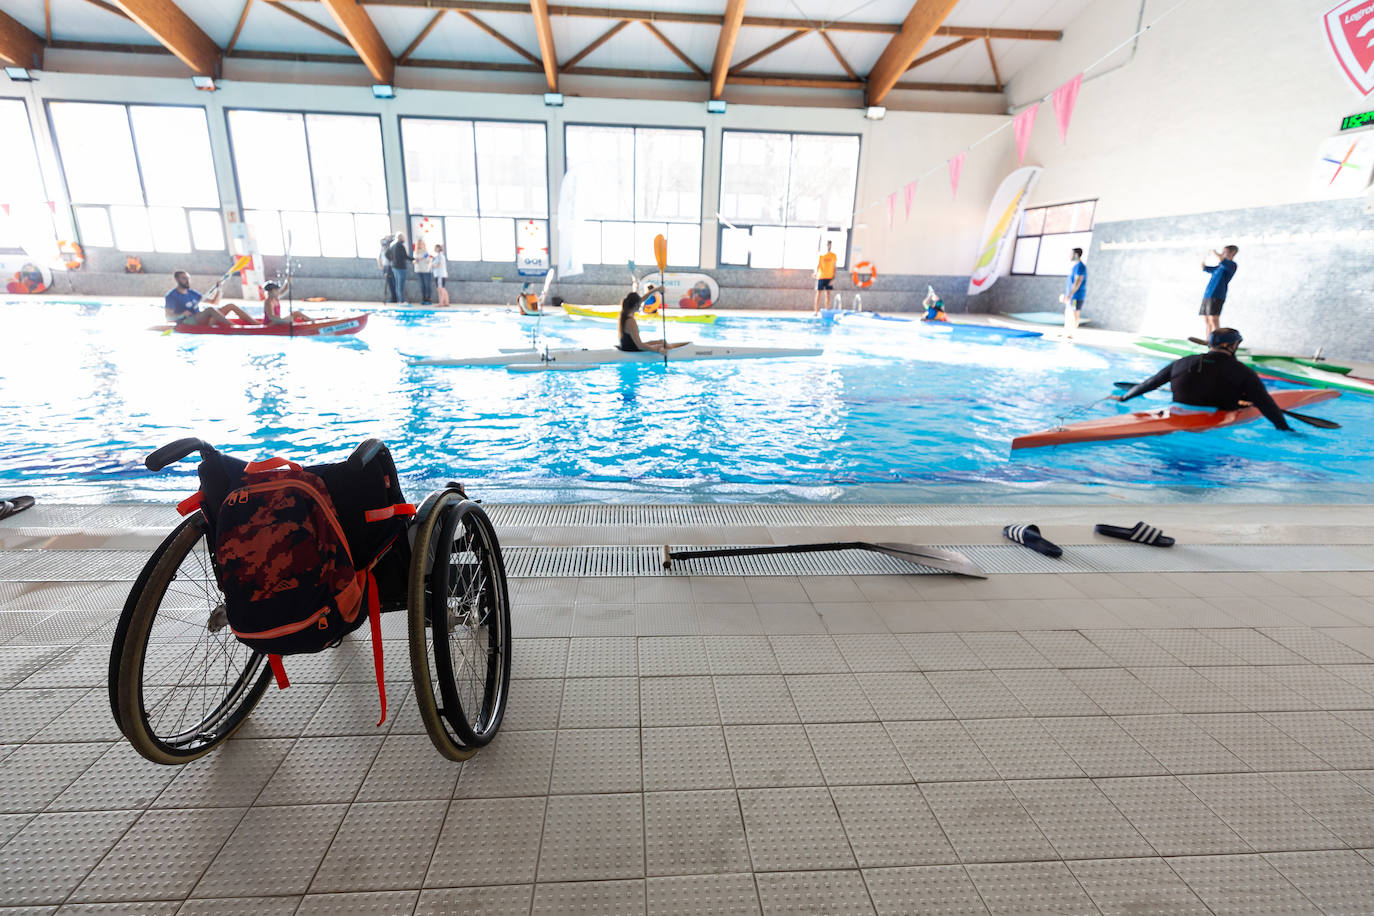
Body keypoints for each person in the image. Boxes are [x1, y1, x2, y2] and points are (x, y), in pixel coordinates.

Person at [1112, 327, 1291, 431]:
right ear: (1232, 345)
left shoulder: (1182, 362)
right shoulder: (1243, 371)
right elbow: (1266, 404)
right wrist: (1285, 429)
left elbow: (1150, 383)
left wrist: (1124, 397)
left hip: (1175, 413)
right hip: (1214, 419)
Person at [164, 270, 255, 327]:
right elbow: (168, 317)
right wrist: (181, 314)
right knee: (210, 310)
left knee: (230, 306)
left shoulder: (192, 292)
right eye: (184, 278)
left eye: (188, 278)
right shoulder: (171, 296)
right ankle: (234, 327)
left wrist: (219, 289)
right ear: (176, 279)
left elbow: (214, 302)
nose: (187, 281)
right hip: (187, 321)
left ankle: (255, 323)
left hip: (200, 317)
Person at [617, 290, 686, 354]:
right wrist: (658, 350)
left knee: (662, 341)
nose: (641, 305)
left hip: (630, 346)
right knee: (664, 346)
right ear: (636, 305)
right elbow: (640, 346)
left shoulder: (625, 314)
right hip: (632, 349)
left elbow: (642, 299)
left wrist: (657, 289)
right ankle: (680, 352)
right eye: (640, 304)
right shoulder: (630, 321)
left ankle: (683, 345)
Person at [1199, 245, 1239, 336]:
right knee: (1207, 320)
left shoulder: (1232, 265)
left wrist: (1215, 252)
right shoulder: (1219, 267)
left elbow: (1221, 259)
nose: (1222, 254)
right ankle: (1208, 340)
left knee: (1214, 319)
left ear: (1232, 253)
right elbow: (1204, 268)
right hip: (1208, 294)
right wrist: (1203, 257)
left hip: (1218, 295)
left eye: (1225, 252)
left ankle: (1217, 342)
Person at [1058, 248, 1086, 337]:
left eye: (1071, 254)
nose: (1069, 256)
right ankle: (1066, 332)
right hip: (1071, 296)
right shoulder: (1074, 267)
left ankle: (1072, 333)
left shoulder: (1080, 267)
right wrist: (1067, 295)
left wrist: (1070, 295)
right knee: (1068, 313)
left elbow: (1078, 282)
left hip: (1076, 297)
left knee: (1074, 313)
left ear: (1076, 255)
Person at [387, 232, 413, 304]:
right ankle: (401, 300)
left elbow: (387, 254)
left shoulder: (393, 246)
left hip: (394, 267)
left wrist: (392, 260)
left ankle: (400, 300)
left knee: (398, 284)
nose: (404, 239)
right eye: (403, 238)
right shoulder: (400, 246)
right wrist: (414, 259)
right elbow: (405, 256)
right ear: (400, 238)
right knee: (400, 284)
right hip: (401, 267)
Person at [812, 240, 837, 314]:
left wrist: (833, 278)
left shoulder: (833, 255)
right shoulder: (821, 255)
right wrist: (816, 272)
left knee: (828, 295)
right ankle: (816, 311)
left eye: (829, 245)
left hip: (829, 277)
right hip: (821, 276)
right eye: (827, 245)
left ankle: (827, 310)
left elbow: (835, 267)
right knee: (818, 294)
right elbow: (818, 265)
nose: (828, 246)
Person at [414, 239, 434, 306]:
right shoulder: (415, 252)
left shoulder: (426, 252)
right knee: (422, 285)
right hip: (419, 270)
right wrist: (416, 261)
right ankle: (423, 298)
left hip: (426, 270)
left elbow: (429, 260)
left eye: (422, 243)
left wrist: (427, 259)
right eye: (419, 244)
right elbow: (413, 261)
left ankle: (428, 298)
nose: (420, 245)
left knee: (427, 285)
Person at [377, 235, 395, 304]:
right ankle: (393, 297)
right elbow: (379, 258)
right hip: (385, 266)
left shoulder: (391, 247)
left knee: (393, 283)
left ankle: (395, 297)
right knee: (390, 283)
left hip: (391, 266)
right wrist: (381, 266)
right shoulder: (383, 249)